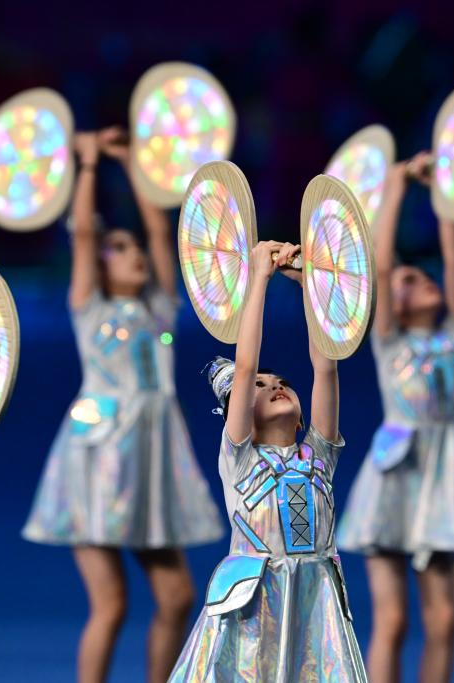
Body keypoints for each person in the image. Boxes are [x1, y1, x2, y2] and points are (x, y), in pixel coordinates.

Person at [22, 127, 223, 683]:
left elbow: (159, 230)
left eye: (134, 249)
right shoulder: (89, 307)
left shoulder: (159, 309)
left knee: (178, 596)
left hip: (152, 458)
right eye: (118, 249)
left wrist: (134, 163)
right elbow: (85, 233)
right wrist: (89, 164)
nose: (133, 253)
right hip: (100, 458)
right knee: (110, 605)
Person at [337, 153, 454, 683]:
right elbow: (381, 267)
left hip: (447, 480)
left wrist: (443, 195)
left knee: (444, 619)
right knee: (391, 620)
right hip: (395, 479)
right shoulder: (388, 340)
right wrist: (394, 188)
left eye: (423, 276)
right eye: (409, 280)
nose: (422, 281)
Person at [169, 240, 366, 682]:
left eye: (281, 382)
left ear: (302, 419)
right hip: (256, 612)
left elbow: (326, 367)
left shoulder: (318, 455)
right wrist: (258, 278)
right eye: (260, 386)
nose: (274, 385)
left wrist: (310, 288)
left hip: (314, 607)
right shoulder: (239, 458)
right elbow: (244, 366)